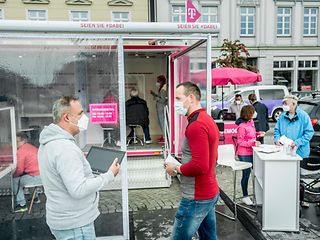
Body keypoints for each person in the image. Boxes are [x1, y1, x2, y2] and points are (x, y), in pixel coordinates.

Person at [38, 96, 120, 239]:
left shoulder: (50, 142)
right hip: (75, 225)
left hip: (65, 220)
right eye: (80, 113)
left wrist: (81, 164)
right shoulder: (65, 148)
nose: (85, 117)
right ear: (67, 117)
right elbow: (78, 189)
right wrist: (109, 175)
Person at [165, 82, 220, 240]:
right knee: (209, 237)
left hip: (197, 197)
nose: (175, 103)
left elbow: (200, 166)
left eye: (178, 98)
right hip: (208, 192)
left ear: (190, 97)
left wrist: (176, 168)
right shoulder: (206, 119)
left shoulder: (196, 125)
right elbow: (210, 157)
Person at [235, 105, 261, 206]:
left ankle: (256, 195)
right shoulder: (242, 126)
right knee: (246, 175)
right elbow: (240, 142)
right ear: (249, 113)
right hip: (244, 154)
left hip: (252, 152)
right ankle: (245, 196)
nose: (255, 113)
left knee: (255, 173)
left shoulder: (251, 123)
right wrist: (253, 143)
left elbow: (251, 136)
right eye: (253, 111)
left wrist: (258, 134)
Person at [13, 132, 42, 213]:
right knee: (28, 176)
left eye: (17, 142)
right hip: (43, 176)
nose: (15, 144)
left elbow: (19, 169)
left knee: (15, 180)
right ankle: (35, 198)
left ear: (23, 140)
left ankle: (22, 205)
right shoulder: (32, 147)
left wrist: (14, 175)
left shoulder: (21, 151)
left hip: (36, 178)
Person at [150, 75, 168, 143]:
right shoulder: (162, 88)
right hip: (160, 108)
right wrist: (154, 94)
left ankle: (165, 137)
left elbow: (162, 100)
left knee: (162, 123)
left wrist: (155, 98)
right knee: (160, 122)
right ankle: (163, 135)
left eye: (158, 81)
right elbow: (161, 97)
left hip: (161, 109)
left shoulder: (163, 89)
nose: (157, 82)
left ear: (161, 81)